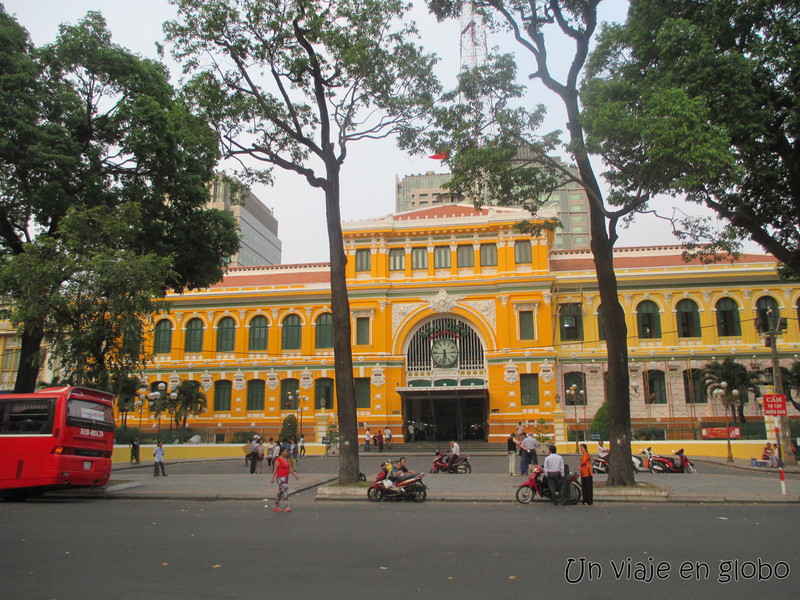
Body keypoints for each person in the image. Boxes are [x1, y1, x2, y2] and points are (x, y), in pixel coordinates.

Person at [270, 447, 298, 513]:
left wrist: (294, 475)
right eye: (285, 451)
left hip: (285, 478)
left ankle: (276, 505)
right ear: (281, 452)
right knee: (285, 489)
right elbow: (275, 470)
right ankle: (286, 506)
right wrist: (273, 478)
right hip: (280, 478)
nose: (286, 452)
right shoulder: (278, 460)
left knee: (280, 492)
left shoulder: (287, 459)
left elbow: (289, 468)